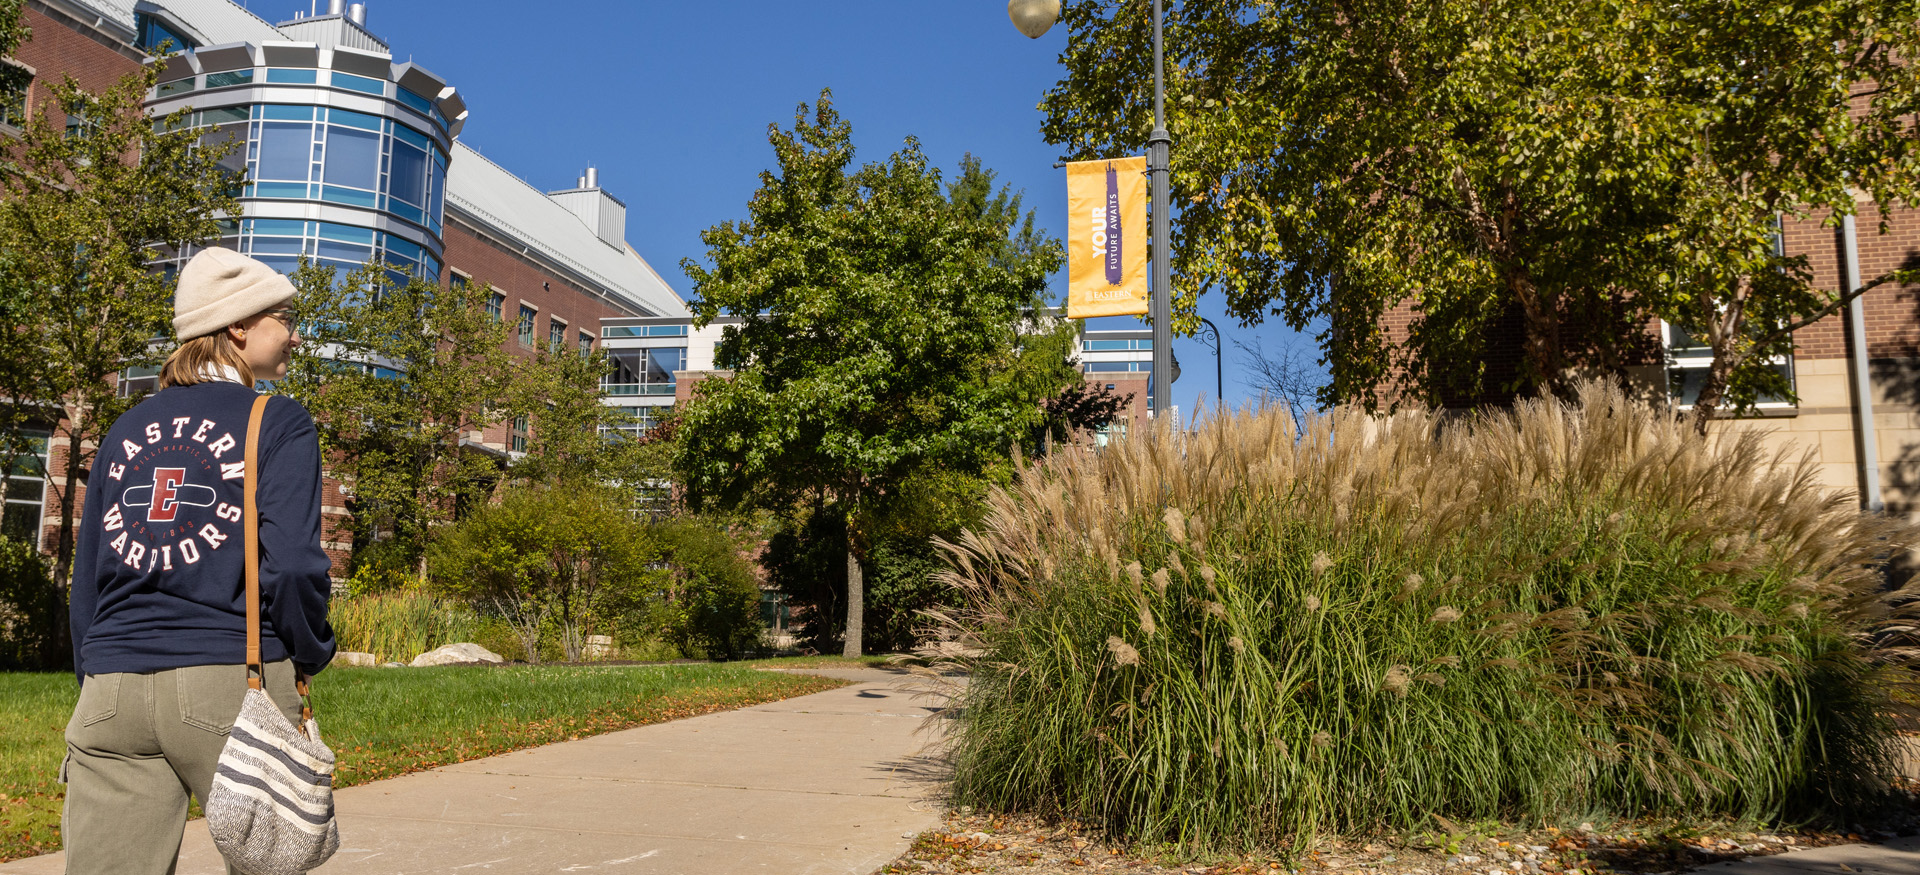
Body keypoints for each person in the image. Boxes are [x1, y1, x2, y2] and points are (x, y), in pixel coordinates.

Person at [63, 247, 336, 873]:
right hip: (231, 683)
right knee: (275, 861)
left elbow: (88, 581)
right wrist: (311, 648)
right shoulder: (278, 420)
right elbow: (293, 564)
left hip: (112, 688)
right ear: (238, 326)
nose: (294, 335)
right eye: (284, 318)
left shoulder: (124, 428)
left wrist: (97, 675)